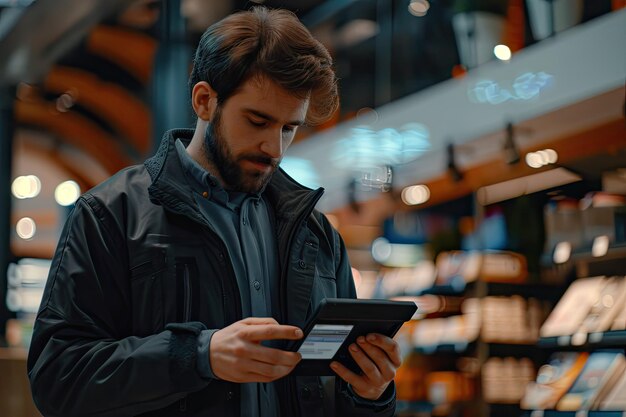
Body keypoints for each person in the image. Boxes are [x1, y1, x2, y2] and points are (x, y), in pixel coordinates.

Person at [27, 6, 401, 417]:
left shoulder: (316, 233)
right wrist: (198, 355)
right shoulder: (110, 215)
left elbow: (335, 393)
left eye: (288, 128)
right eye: (257, 121)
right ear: (205, 101)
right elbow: (58, 380)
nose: (274, 148)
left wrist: (372, 395)